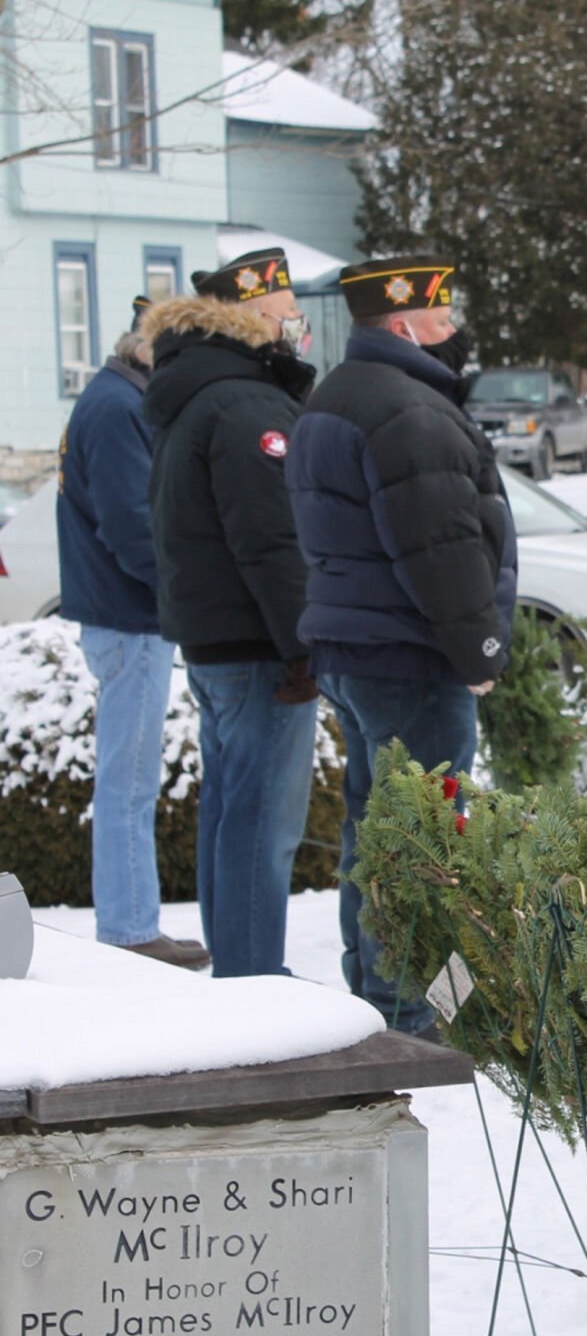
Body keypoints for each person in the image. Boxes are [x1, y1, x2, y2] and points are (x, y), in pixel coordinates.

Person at [286, 255, 516, 1034]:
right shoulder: (407, 411)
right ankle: (419, 1011)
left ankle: (379, 995)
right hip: (413, 657)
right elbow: (441, 548)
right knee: (427, 845)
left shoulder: (336, 397)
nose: (455, 332)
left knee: (375, 830)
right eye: (444, 318)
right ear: (403, 324)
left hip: (357, 652)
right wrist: (478, 652)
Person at [143, 249, 319, 978]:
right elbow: (271, 538)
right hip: (256, 646)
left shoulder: (203, 390)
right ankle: (253, 982)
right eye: (285, 317)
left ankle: (240, 970)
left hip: (219, 640)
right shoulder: (245, 403)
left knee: (231, 815)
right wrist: (304, 644)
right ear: (250, 316)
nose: (294, 332)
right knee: (259, 827)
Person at [57, 297, 208, 969]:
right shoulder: (119, 410)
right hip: (131, 619)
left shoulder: (111, 398)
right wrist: (185, 596)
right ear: (150, 349)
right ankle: (128, 928)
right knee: (129, 780)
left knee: (129, 777)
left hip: (122, 618)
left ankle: (130, 922)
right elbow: (132, 531)